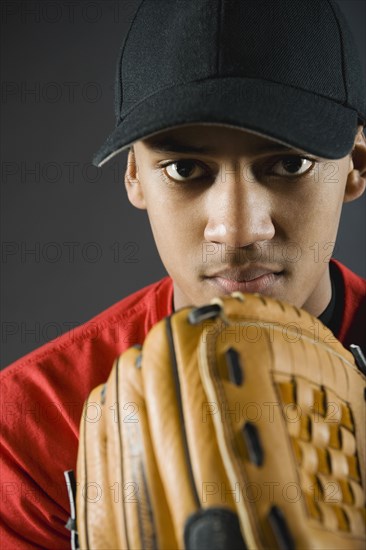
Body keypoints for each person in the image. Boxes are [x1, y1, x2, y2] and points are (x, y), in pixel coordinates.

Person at [1, 0, 365, 548]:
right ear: (135, 178)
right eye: (185, 169)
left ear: (356, 166)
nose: (239, 229)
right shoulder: (31, 422)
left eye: (290, 164)